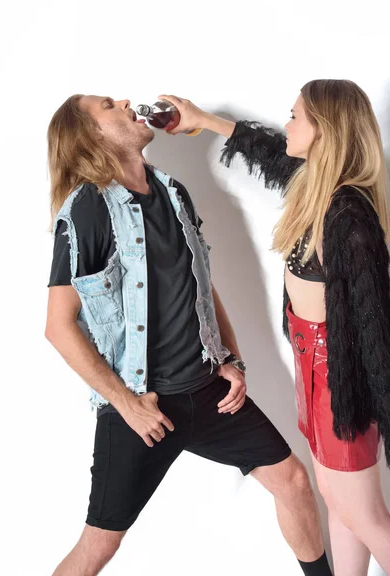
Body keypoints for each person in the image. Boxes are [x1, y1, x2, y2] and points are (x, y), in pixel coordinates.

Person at [45, 94, 332, 576]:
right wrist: (125, 402)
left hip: (210, 392)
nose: (124, 102)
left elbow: (201, 285)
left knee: (295, 482)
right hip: (144, 408)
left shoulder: (173, 193)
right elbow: (58, 325)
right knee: (99, 546)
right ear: (91, 135)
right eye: (107, 106)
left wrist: (231, 359)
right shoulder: (87, 210)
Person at [160, 80, 390, 575]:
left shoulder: (348, 216)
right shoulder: (317, 187)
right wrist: (203, 119)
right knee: (337, 500)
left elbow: (376, 328)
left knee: (366, 515)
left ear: (324, 130)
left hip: (340, 377)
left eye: (295, 116)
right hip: (313, 369)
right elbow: (267, 151)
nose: (286, 124)